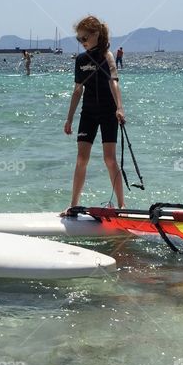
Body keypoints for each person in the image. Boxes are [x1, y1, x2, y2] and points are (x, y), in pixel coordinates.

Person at [61, 15, 126, 217]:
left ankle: (122, 206)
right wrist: (69, 118)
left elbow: (113, 81)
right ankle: (73, 205)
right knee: (81, 158)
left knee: (109, 159)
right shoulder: (80, 60)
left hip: (108, 112)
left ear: (96, 34)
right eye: (79, 39)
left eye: (84, 38)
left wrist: (119, 108)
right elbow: (77, 90)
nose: (82, 42)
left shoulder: (107, 56)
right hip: (88, 113)